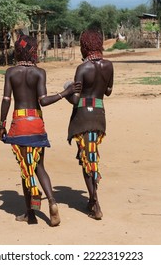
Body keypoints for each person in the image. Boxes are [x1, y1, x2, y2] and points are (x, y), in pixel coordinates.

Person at [0, 34, 81, 226]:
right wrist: (65, 93)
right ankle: (52, 202)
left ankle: (31, 214)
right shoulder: (39, 73)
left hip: (19, 123)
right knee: (39, 166)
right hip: (36, 122)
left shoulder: (11, 72)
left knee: (25, 169)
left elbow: (6, 100)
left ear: (18, 51)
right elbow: (43, 101)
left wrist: (1, 124)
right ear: (34, 51)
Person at [65, 29, 113, 220]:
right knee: (91, 156)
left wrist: (67, 90)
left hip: (83, 117)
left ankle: (95, 202)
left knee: (87, 161)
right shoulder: (109, 65)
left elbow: (76, 100)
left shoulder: (82, 69)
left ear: (84, 46)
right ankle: (92, 199)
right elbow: (108, 91)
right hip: (99, 116)